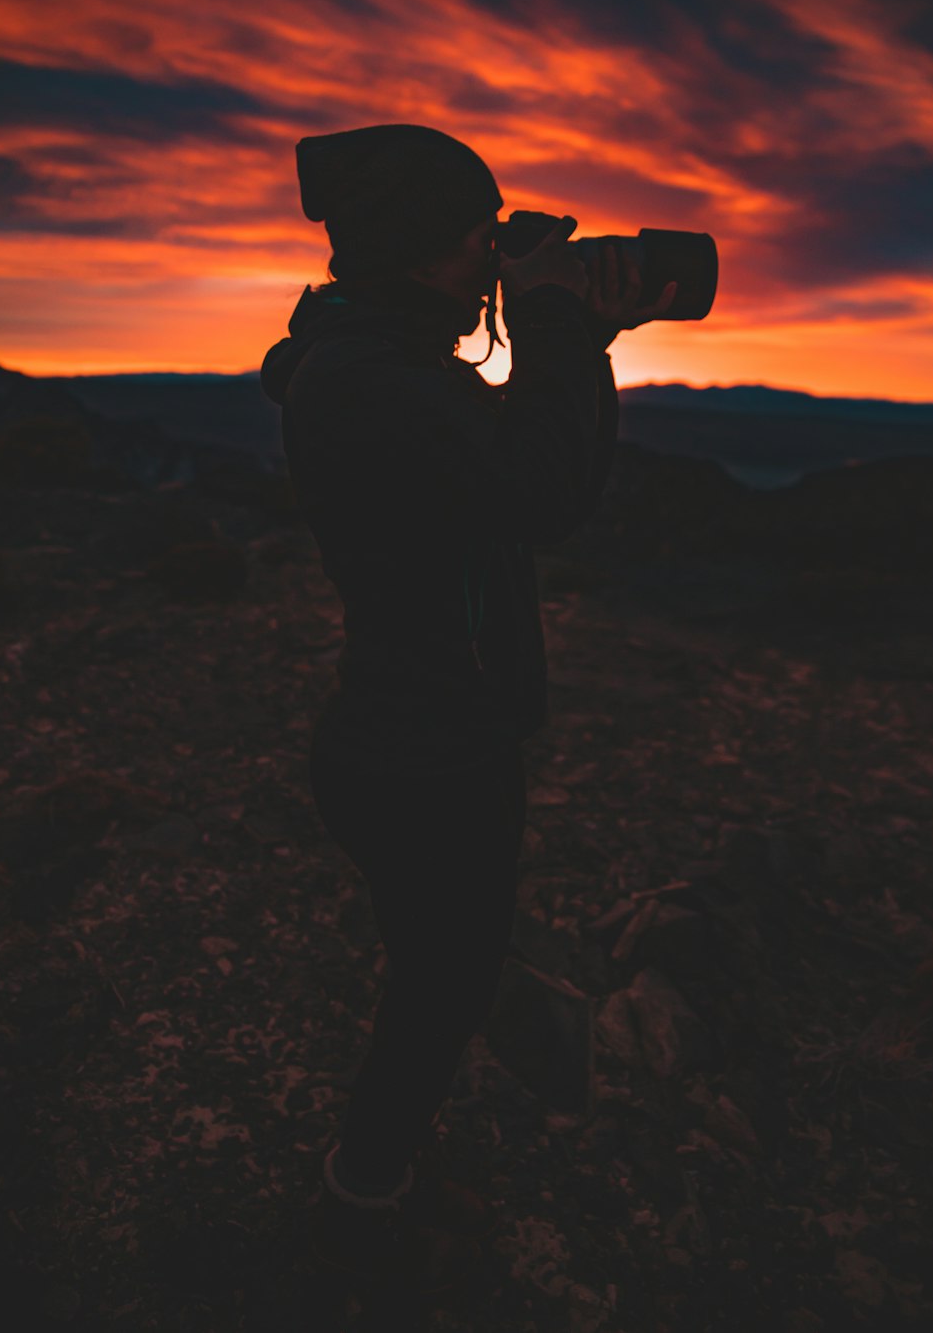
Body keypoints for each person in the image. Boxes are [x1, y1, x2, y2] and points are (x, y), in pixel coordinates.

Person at [260, 123, 676, 1296]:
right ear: (432, 245)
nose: (493, 260)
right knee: (440, 987)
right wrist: (553, 323)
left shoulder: (362, 358)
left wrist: (566, 326)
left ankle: (387, 1162)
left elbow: (504, 468)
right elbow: (542, 493)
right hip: (428, 750)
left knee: (430, 965)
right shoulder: (374, 380)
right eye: (479, 237)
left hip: (404, 730)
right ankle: (363, 1201)